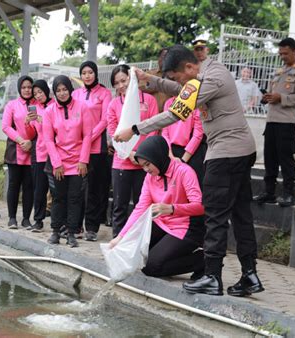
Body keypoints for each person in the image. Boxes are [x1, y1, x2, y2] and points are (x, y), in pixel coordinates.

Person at [114, 45, 263, 297]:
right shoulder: (204, 75)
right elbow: (184, 91)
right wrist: (153, 81)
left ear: (189, 67)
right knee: (240, 215)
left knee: (215, 216)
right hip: (240, 151)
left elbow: (176, 111)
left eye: (176, 77)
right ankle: (250, 275)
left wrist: (136, 129)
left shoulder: (213, 77)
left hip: (226, 153)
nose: (177, 82)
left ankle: (211, 276)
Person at [109, 136, 205, 278]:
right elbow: (140, 208)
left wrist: (172, 209)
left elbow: (200, 207)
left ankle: (203, 261)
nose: (146, 169)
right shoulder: (150, 177)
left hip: (186, 228)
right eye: (143, 166)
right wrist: (121, 237)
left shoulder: (184, 171)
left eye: (148, 164)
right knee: (135, 253)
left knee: (151, 267)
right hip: (162, 224)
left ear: (158, 157)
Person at [253, 38, 295, 207]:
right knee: (270, 159)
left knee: (286, 160)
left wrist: (281, 98)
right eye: (280, 54)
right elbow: (273, 94)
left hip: (286, 123)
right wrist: (268, 97)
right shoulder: (279, 72)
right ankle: (268, 193)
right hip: (271, 121)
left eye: (285, 53)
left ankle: (288, 194)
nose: (283, 57)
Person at [107, 64, 159, 238]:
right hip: (122, 162)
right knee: (119, 205)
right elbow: (113, 132)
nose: (121, 85)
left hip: (145, 163)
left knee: (142, 204)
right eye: (117, 83)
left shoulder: (149, 100)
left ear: (132, 78)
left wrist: (142, 154)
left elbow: (153, 127)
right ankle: (118, 239)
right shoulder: (114, 104)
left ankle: (139, 240)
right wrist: (128, 154)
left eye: (124, 80)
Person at [44, 75, 92, 248]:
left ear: (70, 89)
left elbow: (87, 135)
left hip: (78, 162)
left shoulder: (82, 107)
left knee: (75, 198)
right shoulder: (49, 111)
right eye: (58, 90)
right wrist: (57, 163)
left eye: (65, 89)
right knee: (58, 198)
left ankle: (71, 233)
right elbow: (48, 140)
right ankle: (56, 231)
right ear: (54, 92)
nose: (62, 93)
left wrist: (83, 160)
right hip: (58, 163)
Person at [72, 61, 112, 241]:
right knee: (77, 187)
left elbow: (105, 120)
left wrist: (89, 136)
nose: (87, 76)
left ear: (95, 74)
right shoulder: (75, 94)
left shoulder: (105, 93)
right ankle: (75, 225)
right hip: (77, 148)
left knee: (94, 189)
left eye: (90, 72)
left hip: (96, 148)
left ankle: (92, 227)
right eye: (84, 73)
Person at [2, 76, 36, 229]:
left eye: (29, 87)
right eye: (24, 87)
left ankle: (26, 219)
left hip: (33, 150)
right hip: (15, 150)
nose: (27, 90)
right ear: (19, 89)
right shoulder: (12, 105)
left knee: (29, 186)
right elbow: (6, 126)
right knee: (14, 185)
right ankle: (12, 218)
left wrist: (30, 142)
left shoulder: (37, 105)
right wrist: (21, 140)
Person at [26, 79, 53, 232]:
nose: (38, 95)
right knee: (39, 188)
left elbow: (54, 127)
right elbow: (32, 134)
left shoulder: (54, 106)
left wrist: (40, 119)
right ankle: (38, 220)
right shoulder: (35, 108)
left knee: (56, 189)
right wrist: (27, 122)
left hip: (53, 152)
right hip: (39, 151)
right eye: (35, 93)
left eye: (40, 92)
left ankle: (58, 221)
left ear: (46, 91)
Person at [161, 96, 205, 183]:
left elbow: (198, 133)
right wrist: (171, 156)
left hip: (192, 152)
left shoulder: (195, 102)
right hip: (171, 152)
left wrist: (183, 160)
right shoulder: (168, 102)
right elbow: (165, 132)